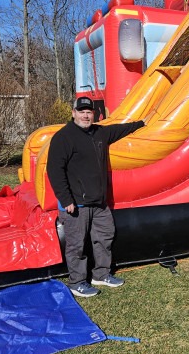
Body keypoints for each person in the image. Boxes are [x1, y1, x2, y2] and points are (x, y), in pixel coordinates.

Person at [47, 96, 145, 298]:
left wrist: (142, 124)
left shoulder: (99, 132)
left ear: (94, 114)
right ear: (73, 113)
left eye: (88, 112)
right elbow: (55, 171)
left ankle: (101, 274)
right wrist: (66, 200)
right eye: (81, 111)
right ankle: (77, 282)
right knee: (76, 245)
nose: (85, 115)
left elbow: (119, 130)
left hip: (99, 202)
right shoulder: (63, 137)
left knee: (105, 237)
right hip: (76, 204)